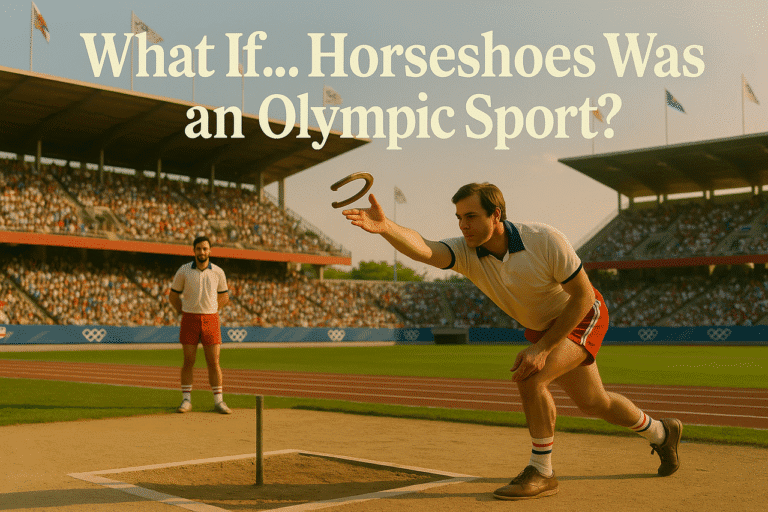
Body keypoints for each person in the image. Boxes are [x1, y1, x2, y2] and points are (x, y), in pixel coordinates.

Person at [342, 183, 682, 500]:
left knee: (530, 374)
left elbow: (581, 296)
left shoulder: (544, 239)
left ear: (496, 215)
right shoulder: (467, 251)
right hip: (542, 327)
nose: (464, 225)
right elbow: (426, 250)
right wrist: (386, 227)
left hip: (580, 314)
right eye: (459, 218)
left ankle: (542, 470)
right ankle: (662, 433)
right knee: (595, 404)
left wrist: (543, 347)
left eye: (472, 216)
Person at [169, 236, 232, 414]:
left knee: (214, 361)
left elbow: (224, 296)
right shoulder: (184, 271)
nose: (202, 252)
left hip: (211, 319)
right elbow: (173, 295)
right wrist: (183, 311)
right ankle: (186, 400)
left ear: (210, 250)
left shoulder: (218, 272)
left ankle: (219, 401)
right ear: (194, 250)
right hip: (189, 319)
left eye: (205, 249)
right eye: (199, 249)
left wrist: (213, 309)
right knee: (189, 360)